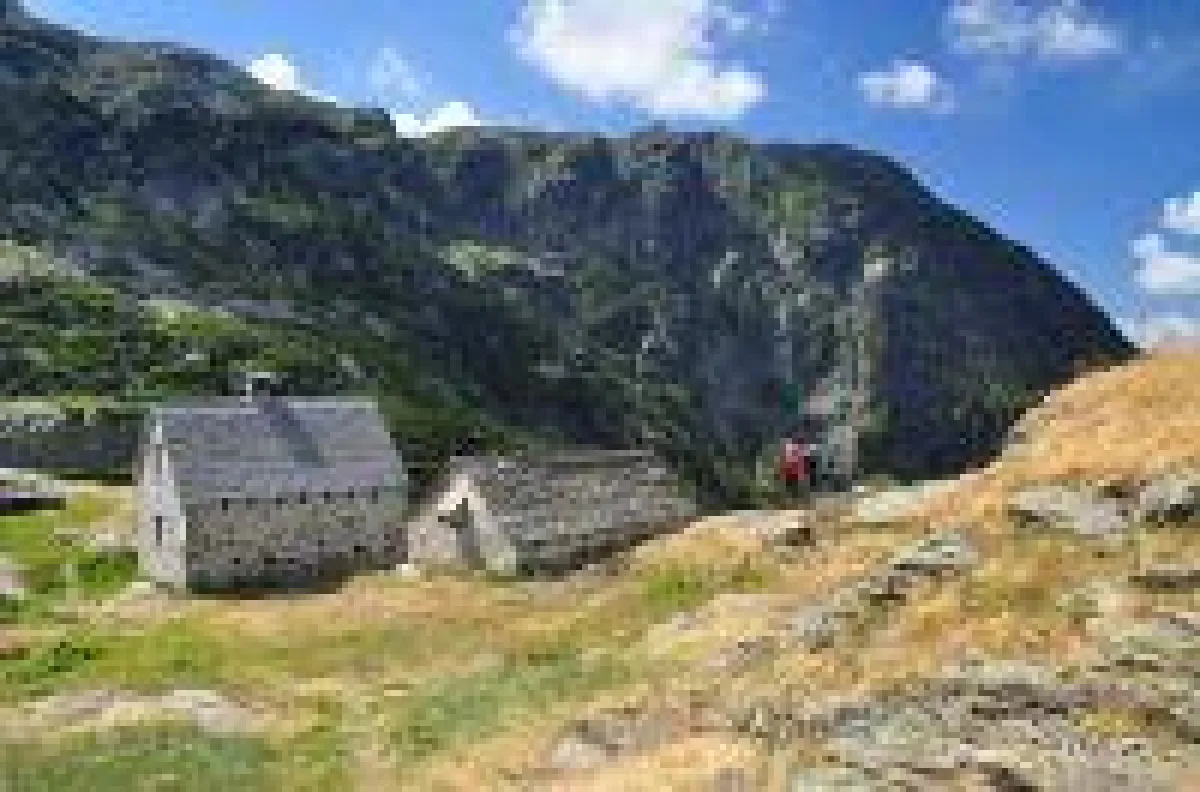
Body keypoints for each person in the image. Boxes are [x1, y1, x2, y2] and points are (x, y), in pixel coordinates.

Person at [779, 431, 813, 506]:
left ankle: (792, 504)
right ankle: (800, 504)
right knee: (800, 492)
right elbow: (807, 461)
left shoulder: (789, 448)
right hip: (798, 475)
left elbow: (783, 461)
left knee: (792, 492)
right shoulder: (803, 449)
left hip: (791, 474)